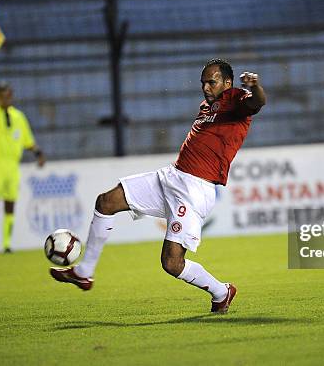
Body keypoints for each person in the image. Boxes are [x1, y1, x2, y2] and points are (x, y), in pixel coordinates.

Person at [50, 58, 266, 313]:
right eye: (203, 83)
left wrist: (256, 87)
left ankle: (221, 291)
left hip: (195, 188)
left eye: (212, 82)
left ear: (227, 83)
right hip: (171, 177)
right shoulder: (208, 106)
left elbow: (257, 103)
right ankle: (84, 273)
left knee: (172, 264)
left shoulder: (236, 99)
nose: (206, 87)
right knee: (105, 202)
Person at [0, 52, 46, 254]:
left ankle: (7, 244)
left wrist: (38, 153)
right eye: (4, 95)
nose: (8, 97)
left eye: (10, 94)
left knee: (10, 203)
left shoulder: (19, 116)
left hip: (12, 165)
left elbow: (28, 141)